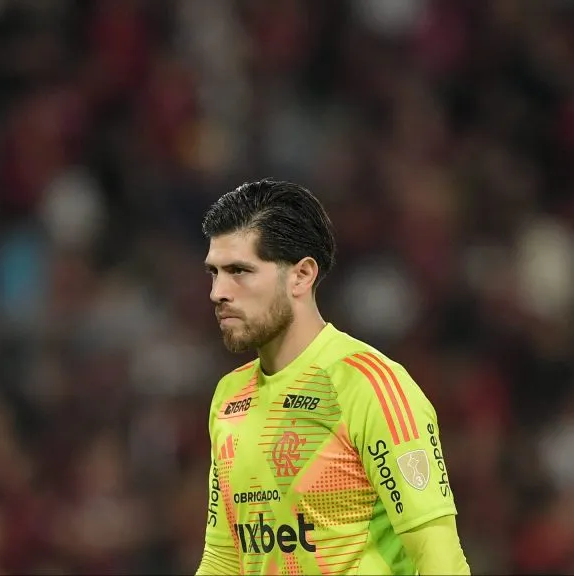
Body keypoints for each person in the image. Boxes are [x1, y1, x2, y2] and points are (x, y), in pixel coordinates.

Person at [196, 179, 470, 575]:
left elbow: (440, 560)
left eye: (239, 270)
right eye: (214, 273)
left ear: (301, 276)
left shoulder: (370, 386)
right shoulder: (229, 397)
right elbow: (223, 559)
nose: (218, 292)